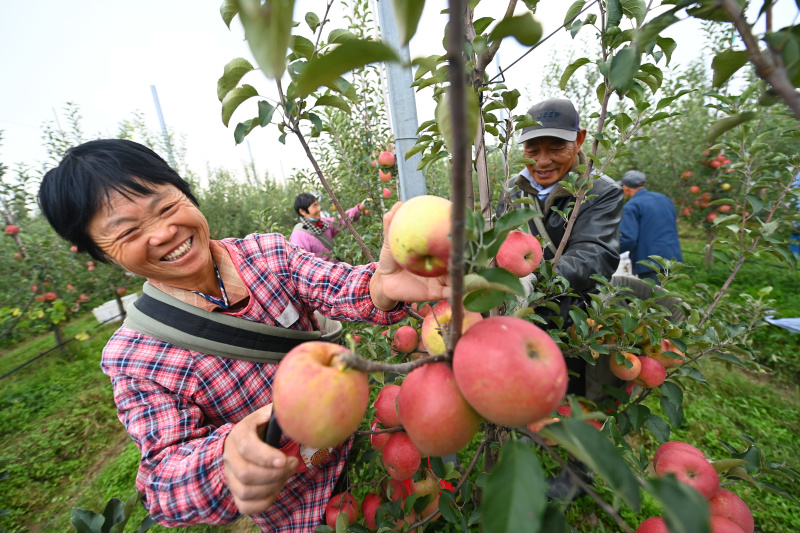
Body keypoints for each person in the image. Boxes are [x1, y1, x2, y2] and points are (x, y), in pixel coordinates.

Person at [36, 139, 450, 532]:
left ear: (185, 193)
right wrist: (224, 458)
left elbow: (333, 285)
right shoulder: (136, 356)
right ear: (101, 253)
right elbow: (162, 483)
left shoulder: (266, 254)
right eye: (127, 232)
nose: (162, 233)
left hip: (371, 446)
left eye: (164, 207)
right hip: (303, 510)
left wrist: (380, 286)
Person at [496, 98, 624, 500]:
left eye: (556, 148)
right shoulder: (511, 192)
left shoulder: (600, 192)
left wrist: (538, 278)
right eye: (533, 149)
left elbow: (596, 255)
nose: (543, 160)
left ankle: (578, 476)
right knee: (535, 391)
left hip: (580, 317)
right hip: (528, 319)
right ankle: (529, 451)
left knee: (583, 398)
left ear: (580, 141)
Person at [619, 170, 683, 281]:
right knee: (662, 292)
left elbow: (628, 238)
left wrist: (609, 252)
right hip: (670, 256)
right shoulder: (664, 198)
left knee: (650, 295)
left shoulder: (632, 206)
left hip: (649, 261)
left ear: (626, 188)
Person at [289, 193, 363, 261]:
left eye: (318, 204)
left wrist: (359, 208)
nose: (319, 208)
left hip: (337, 271)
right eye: (314, 206)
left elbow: (339, 221)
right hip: (322, 274)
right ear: (302, 211)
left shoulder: (322, 223)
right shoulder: (299, 236)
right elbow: (300, 263)